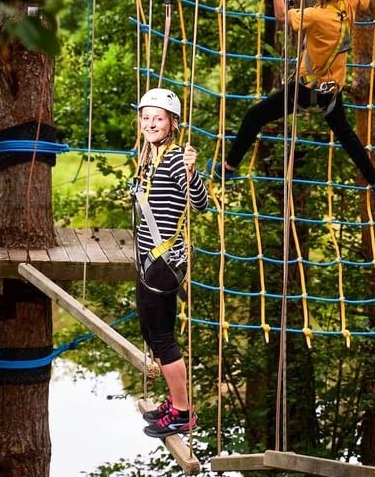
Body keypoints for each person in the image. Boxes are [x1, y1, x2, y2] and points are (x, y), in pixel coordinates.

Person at [208, 0, 375, 202]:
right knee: (346, 136)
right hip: (331, 91)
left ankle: (227, 169)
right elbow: (365, 4)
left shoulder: (314, 15)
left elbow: (281, 15)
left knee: (255, 116)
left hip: (305, 89)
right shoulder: (347, 6)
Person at [130, 88, 208, 438]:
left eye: (157, 119)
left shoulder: (176, 158)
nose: (150, 123)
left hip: (163, 262)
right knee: (150, 331)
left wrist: (192, 174)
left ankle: (183, 411)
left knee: (161, 336)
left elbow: (201, 204)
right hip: (149, 260)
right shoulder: (149, 156)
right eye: (146, 118)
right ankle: (174, 400)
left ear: (172, 124)